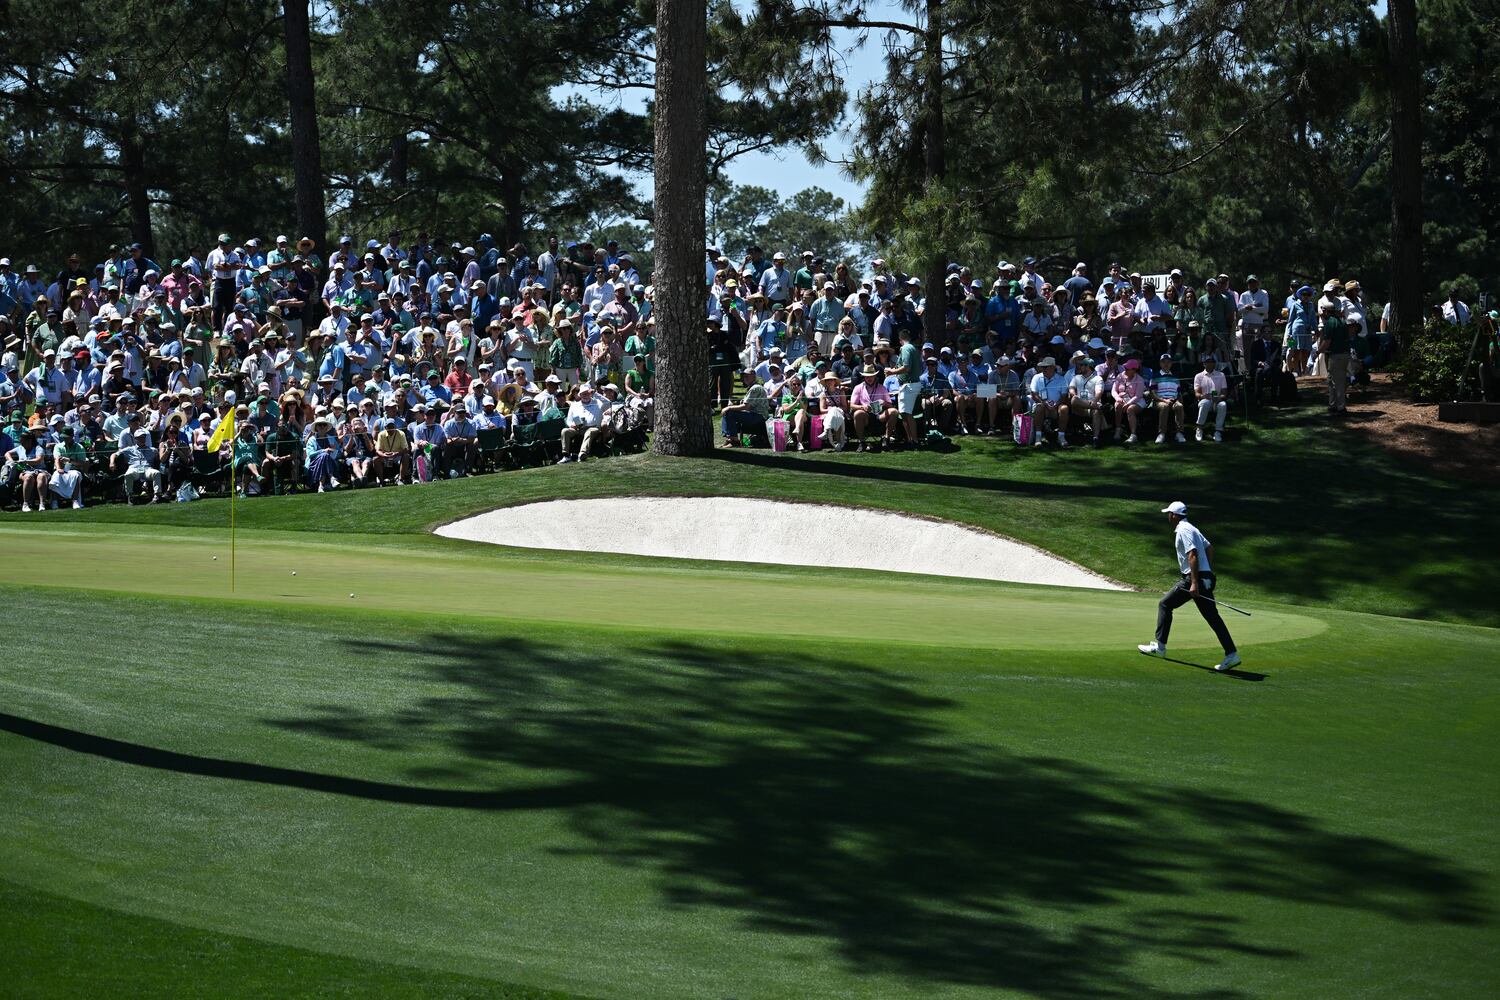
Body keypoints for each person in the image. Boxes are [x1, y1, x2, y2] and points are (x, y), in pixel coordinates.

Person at [1138, 501, 1240, 672]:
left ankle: (1160, 647)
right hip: (1205, 577)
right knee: (1212, 617)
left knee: (1165, 604)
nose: (1168, 516)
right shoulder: (1192, 528)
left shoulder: (1183, 530)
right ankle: (1231, 654)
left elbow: (1192, 555)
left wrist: (1194, 582)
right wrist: (1207, 572)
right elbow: (1210, 548)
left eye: (1169, 513)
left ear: (1175, 515)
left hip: (1193, 579)